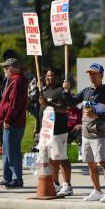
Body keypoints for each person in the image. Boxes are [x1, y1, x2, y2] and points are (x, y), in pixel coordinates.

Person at [63, 62, 105, 203]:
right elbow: (72, 102)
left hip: (98, 133)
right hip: (85, 133)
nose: (92, 77)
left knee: (103, 163)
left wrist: (98, 116)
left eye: (94, 74)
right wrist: (67, 91)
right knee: (90, 164)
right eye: (90, 74)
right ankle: (97, 190)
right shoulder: (86, 91)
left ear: (101, 75)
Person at [0, 58, 28, 189]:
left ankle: (17, 179)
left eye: (6, 68)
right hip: (12, 122)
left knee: (12, 152)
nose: (4, 70)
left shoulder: (17, 82)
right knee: (7, 151)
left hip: (13, 123)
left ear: (12, 68)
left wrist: (8, 119)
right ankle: (8, 178)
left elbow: (14, 105)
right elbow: (7, 103)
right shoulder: (14, 81)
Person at [39, 68, 73, 196]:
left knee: (62, 158)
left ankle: (67, 185)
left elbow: (64, 109)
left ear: (58, 78)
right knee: (52, 160)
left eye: (51, 76)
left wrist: (48, 103)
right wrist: (38, 129)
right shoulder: (44, 91)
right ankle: (56, 184)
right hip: (47, 131)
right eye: (46, 76)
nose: (47, 78)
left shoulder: (61, 92)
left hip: (58, 131)